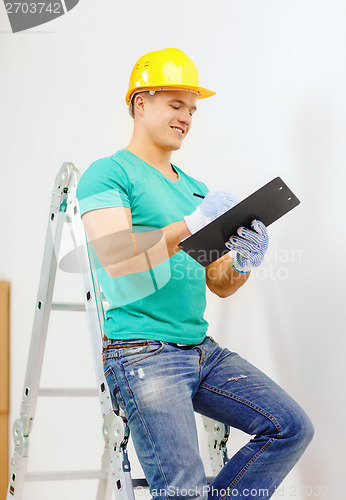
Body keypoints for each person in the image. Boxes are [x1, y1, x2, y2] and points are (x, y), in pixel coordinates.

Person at [76, 47, 314, 500]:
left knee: (290, 428)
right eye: (175, 104)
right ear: (140, 103)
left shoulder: (195, 191)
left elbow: (219, 283)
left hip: (200, 350)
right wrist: (189, 224)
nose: (186, 117)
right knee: (182, 490)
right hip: (142, 352)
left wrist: (242, 261)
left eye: (192, 109)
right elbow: (116, 258)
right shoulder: (109, 174)